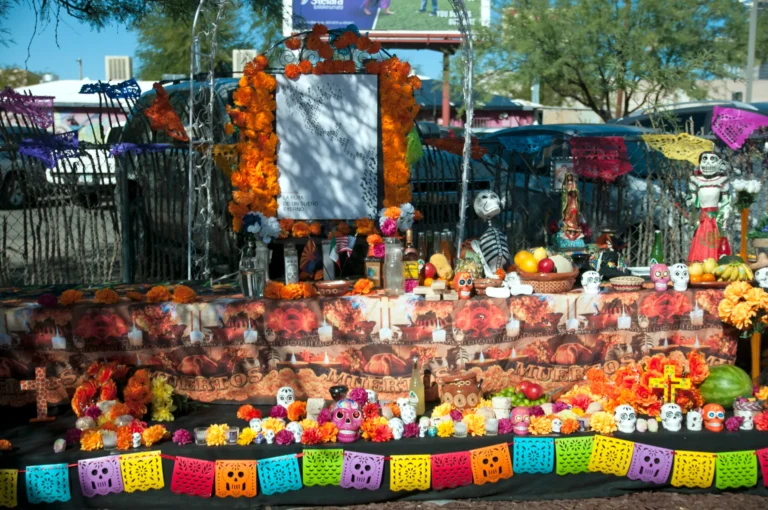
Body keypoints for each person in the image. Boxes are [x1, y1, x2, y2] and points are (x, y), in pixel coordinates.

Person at [561, 173, 583, 241]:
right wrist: (568, 191)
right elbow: (564, 192)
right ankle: (568, 225)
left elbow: (577, 192)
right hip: (568, 201)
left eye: (571, 176)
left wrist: (574, 191)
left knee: (574, 211)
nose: (570, 178)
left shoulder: (574, 183)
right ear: (566, 177)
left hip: (573, 200)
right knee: (568, 212)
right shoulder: (565, 184)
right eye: (568, 177)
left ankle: (574, 224)